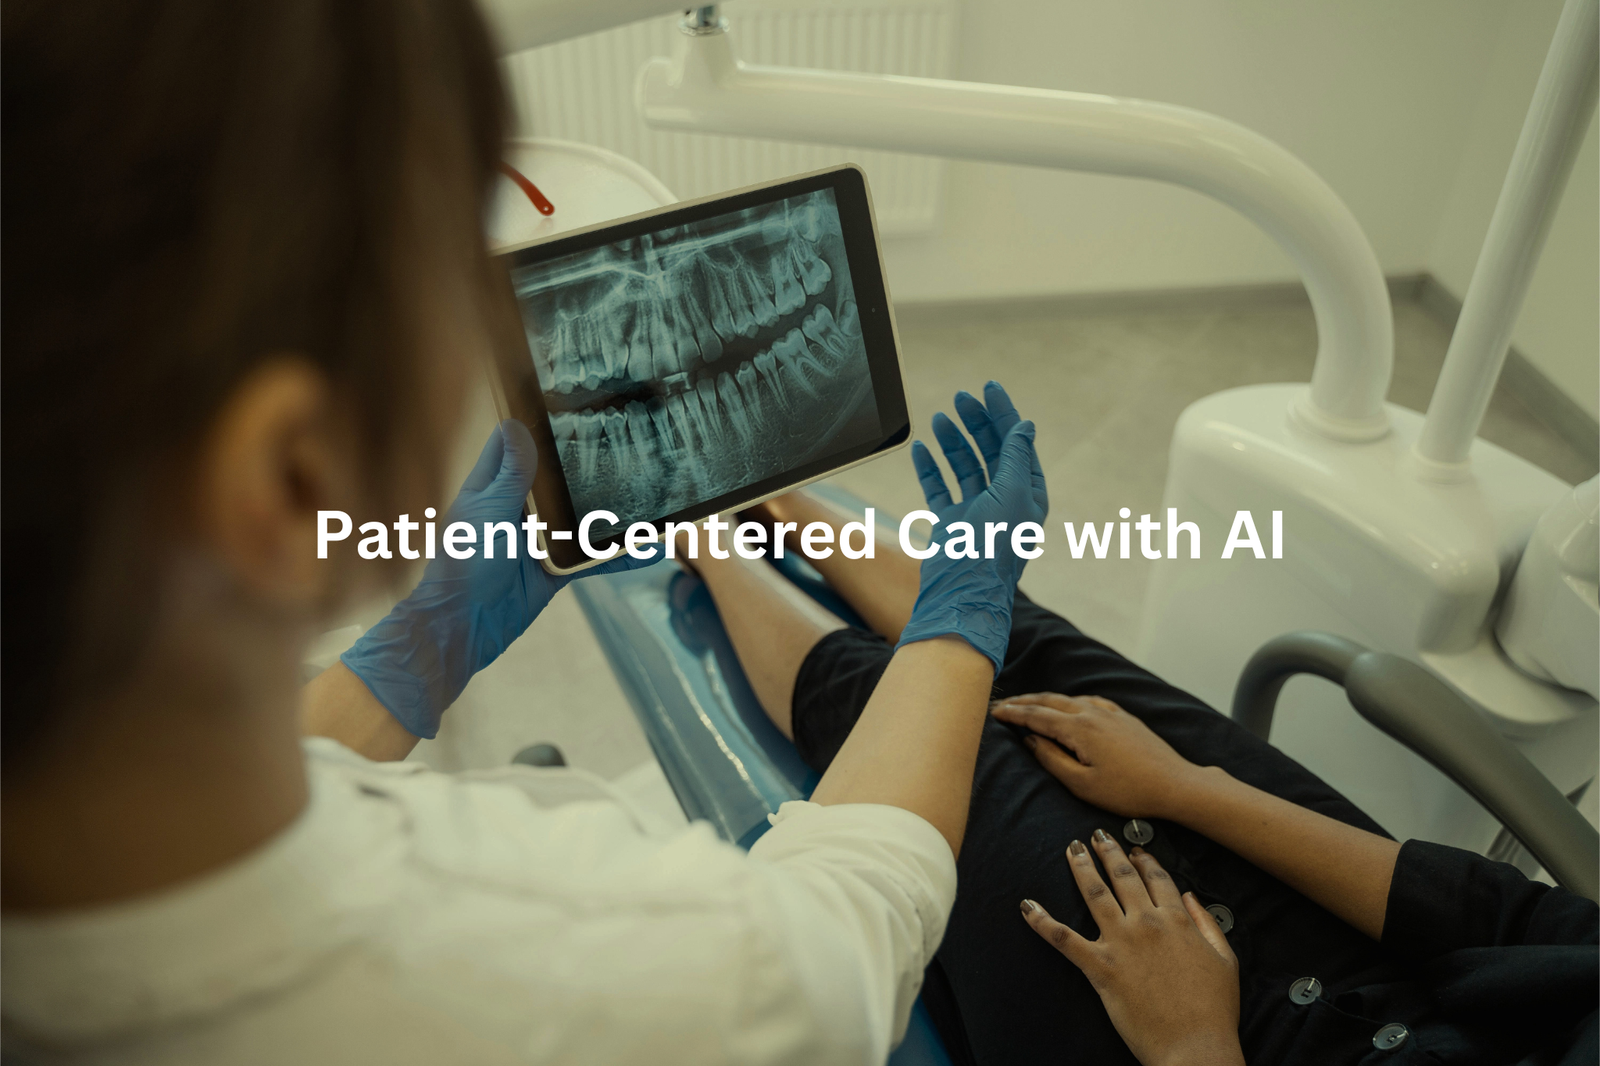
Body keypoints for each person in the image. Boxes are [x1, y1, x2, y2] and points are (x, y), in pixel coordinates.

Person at [0, 3, 1048, 1062]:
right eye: (453, 295)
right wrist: (961, 613)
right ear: (290, 474)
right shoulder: (642, 970)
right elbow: (853, 923)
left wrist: (409, 654)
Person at [683, 472, 1599, 1066]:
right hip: (1385, 957)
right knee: (1035, 653)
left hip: (1180, 1044)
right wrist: (1185, 785)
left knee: (900, 718)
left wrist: (1191, 1037)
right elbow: (1507, 918)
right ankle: (778, 499)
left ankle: (704, 535)